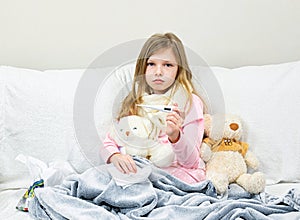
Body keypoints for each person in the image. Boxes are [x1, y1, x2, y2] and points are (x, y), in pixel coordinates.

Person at [100, 33, 207, 184]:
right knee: (95, 179)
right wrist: (115, 156)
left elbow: (191, 162)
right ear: (142, 68)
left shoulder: (189, 103)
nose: (158, 72)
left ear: (179, 70)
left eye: (168, 65)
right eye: (151, 64)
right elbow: (109, 142)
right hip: (138, 172)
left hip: (174, 176)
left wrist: (175, 136)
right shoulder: (134, 101)